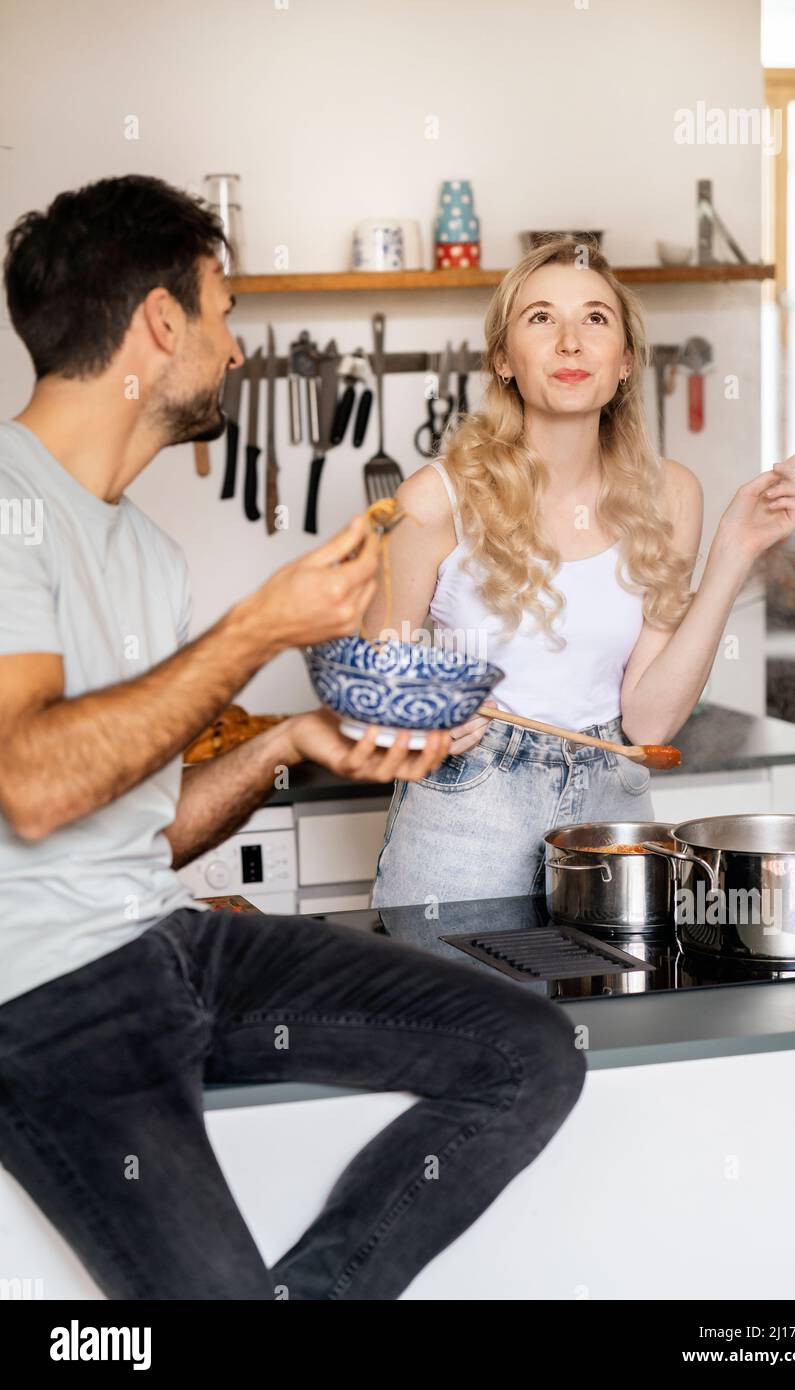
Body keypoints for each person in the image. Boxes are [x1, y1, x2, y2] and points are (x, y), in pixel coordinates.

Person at [0, 176, 585, 1300]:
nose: (234, 347)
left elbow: (144, 830)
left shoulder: (144, 554)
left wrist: (290, 742)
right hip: (45, 993)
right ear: (161, 324)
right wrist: (254, 630)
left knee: (531, 1054)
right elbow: (30, 783)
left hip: (170, 948)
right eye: (221, 312)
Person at [368, 236, 795, 909]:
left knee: (614, 1014)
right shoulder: (434, 499)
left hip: (610, 805)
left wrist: (732, 554)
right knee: (463, 1015)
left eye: (595, 319)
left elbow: (650, 722)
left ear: (625, 360)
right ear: (503, 359)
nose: (570, 342)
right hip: (466, 807)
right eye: (540, 318)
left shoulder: (671, 496)